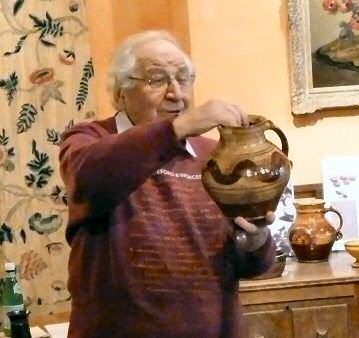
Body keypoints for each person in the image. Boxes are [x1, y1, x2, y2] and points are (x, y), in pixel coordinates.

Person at [59, 30, 276, 338]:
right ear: (121, 92)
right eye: (157, 80)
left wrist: (255, 242)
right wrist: (179, 127)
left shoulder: (215, 156)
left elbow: (250, 265)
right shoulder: (90, 140)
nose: (177, 93)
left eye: (184, 79)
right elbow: (89, 176)